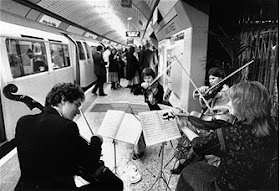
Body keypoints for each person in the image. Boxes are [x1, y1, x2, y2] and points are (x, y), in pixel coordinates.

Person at [15, 83, 123, 191]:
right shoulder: (67, 126)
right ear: (63, 100)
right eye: (77, 105)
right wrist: (97, 141)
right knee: (115, 184)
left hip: (25, 188)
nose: (77, 111)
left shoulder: (23, 122)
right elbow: (90, 162)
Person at [175, 81, 278, 191]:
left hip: (227, 188)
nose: (228, 103)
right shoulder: (273, 126)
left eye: (231, 102)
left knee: (189, 171)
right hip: (261, 186)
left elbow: (199, 145)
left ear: (241, 107)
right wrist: (229, 109)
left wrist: (184, 127)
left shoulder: (229, 135)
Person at [172, 67, 230, 174]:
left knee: (187, 127)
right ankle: (184, 160)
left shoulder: (225, 92)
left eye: (213, 78)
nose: (211, 81)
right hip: (207, 120)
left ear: (221, 78)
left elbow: (224, 111)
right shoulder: (213, 89)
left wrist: (212, 103)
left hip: (216, 124)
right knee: (186, 126)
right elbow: (204, 106)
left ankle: (185, 161)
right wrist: (201, 93)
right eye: (210, 79)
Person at [132, 67, 164, 160]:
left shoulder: (159, 87)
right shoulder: (145, 87)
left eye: (149, 77)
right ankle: (139, 150)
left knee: (142, 128)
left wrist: (154, 99)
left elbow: (160, 101)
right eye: (145, 78)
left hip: (155, 112)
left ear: (153, 77)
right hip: (146, 110)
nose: (147, 80)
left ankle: (139, 150)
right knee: (138, 127)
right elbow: (134, 92)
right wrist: (141, 86)